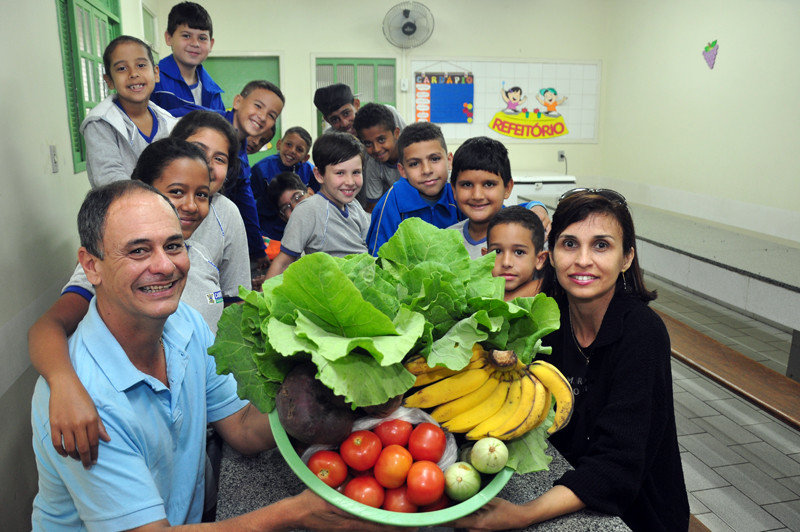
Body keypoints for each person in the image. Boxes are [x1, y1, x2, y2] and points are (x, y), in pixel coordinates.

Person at [30, 181, 407, 532]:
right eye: (139, 250)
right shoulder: (82, 401)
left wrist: (334, 381)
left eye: (174, 245)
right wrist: (295, 512)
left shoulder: (184, 323)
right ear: (91, 265)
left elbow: (242, 427)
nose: (164, 265)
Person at [454, 188, 689, 532]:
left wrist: (523, 514)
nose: (582, 260)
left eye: (601, 245)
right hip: (563, 482)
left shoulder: (642, 333)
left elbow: (619, 464)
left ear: (626, 258)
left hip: (635, 515)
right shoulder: (548, 319)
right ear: (551, 255)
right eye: (569, 244)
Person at [171, 110, 251, 303]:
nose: (207, 164)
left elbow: (235, 296)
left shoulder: (227, 213)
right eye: (197, 150)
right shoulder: (140, 203)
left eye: (220, 159)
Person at [265, 132, 369, 278]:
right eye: (340, 173)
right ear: (319, 175)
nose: (350, 182)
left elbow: (369, 246)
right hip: (334, 293)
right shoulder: (308, 210)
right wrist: (262, 299)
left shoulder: (354, 206)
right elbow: (283, 262)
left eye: (356, 172)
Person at [81, 35, 176, 187]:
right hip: (121, 207)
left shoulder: (169, 123)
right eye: (122, 68)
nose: (133, 73)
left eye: (141, 65)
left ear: (156, 73)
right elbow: (110, 180)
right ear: (109, 81)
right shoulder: (100, 123)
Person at [365, 122, 461, 256]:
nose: (427, 170)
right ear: (402, 170)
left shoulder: (460, 195)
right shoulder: (391, 204)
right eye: (414, 164)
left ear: (449, 160)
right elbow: (378, 259)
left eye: (435, 159)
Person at [447, 136, 548, 259]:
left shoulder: (531, 237)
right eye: (467, 184)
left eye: (489, 184)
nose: (477, 195)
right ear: (454, 190)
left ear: (507, 188)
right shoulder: (444, 241)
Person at [222, 80, 285, 266]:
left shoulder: (240, 153)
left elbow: (246, 203)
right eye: (258, 106)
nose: (263, 116)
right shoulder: (209, 127)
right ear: (237, 102)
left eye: (272, 115)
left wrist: (258, 250)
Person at [150, 2, 224, 117]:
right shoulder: (153, 80)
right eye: (186, 36)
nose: (195, 43)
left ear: (211, 44)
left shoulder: (213, 92)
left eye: (202, 38)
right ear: (169, 38)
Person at [251, 126, 318, 240]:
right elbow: (250, 201)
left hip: (301, 230)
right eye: (289, 144)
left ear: (305, 157)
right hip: (268, 229)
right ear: (279, 144)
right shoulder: (261, 169)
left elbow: (318, 197)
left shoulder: (310, 171)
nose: (292, 151)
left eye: (299, 149)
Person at [482, 205, 549, 301]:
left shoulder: (550, 296)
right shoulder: (470, 296)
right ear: (485, 257)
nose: (506, 263)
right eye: (498, 251)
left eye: (519, 252)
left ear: (540, 260)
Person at [353, 102, 404, 211]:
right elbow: (373, 208)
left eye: (381, 139)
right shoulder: (373, 164)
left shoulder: (413, 156)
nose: (376, 149)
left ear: (396, 133)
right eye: (368, 143)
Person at [313, 83, 405, 136]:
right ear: (327, 120)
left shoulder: (387, 115)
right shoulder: (331, 139)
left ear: (356, 104)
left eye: (346, 113)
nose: (344, 123)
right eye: (335, 119)